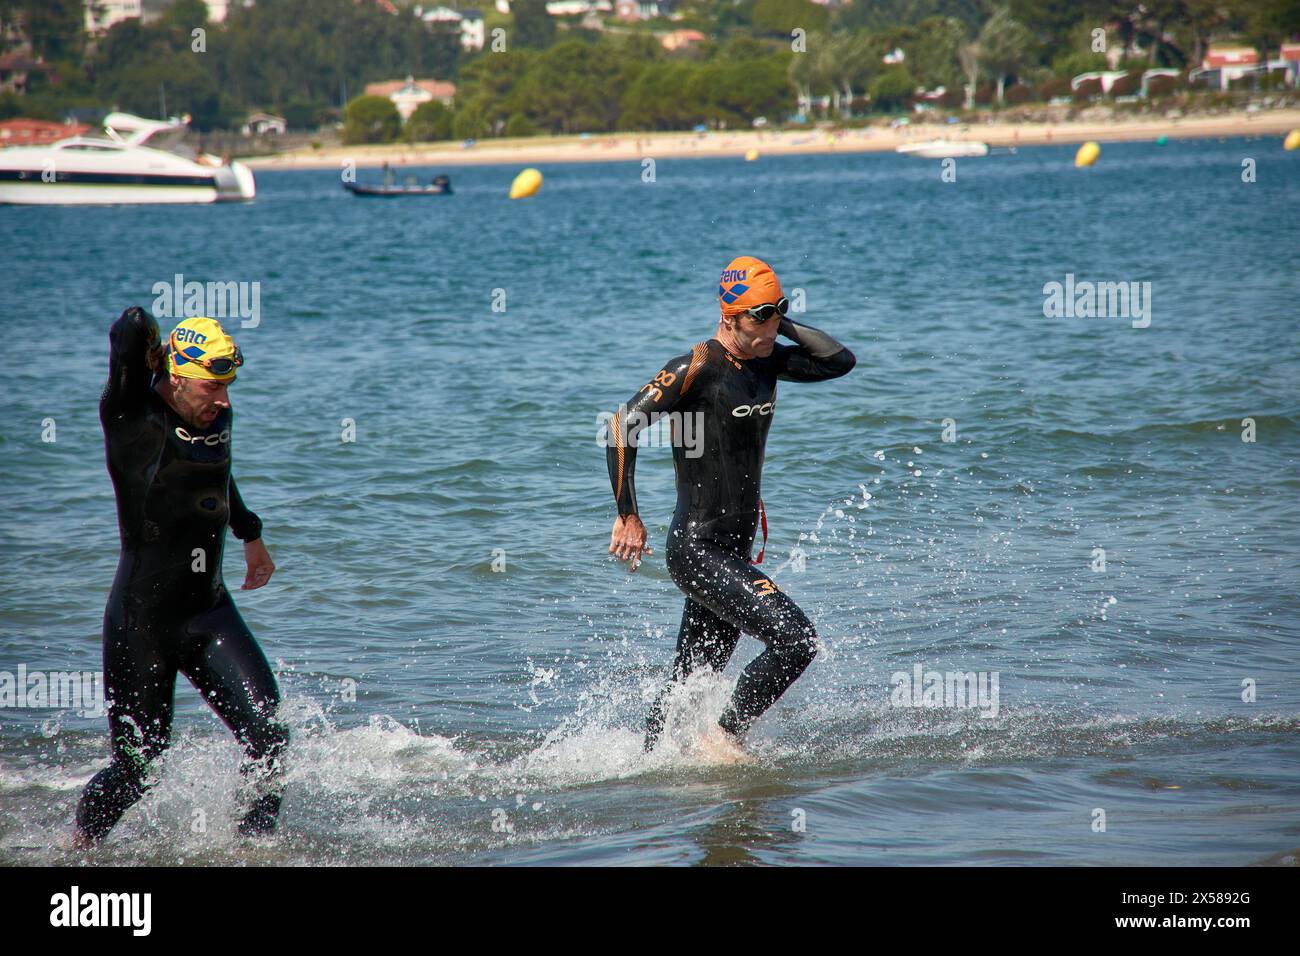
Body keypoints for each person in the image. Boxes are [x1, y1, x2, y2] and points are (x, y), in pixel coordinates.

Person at [605, 256, 856, 759]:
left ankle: (644, 764)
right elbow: (619, 426)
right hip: (698, 548)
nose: (768, 329)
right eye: (757, 318)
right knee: (796, 641)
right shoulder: (694, 367)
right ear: (728, 318)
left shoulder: (768, 358)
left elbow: (839, 361)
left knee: (689, 680)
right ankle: (721, 737)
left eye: (776, 315)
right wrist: (629, 513)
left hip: (734, 550)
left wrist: (775, 317)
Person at [75, 309, 287, 845]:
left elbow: (217, 472)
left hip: (208, 612)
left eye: (228, 387)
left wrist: (250, 532)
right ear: (172, 375)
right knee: (138, 772)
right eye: (213, 387)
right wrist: (150, 338)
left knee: (270, 739)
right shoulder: (128, 416)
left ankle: (253, 848)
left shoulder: (216, 418)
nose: (224, 400)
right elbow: (128, 328)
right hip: (141, 622)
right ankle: (76, 847)